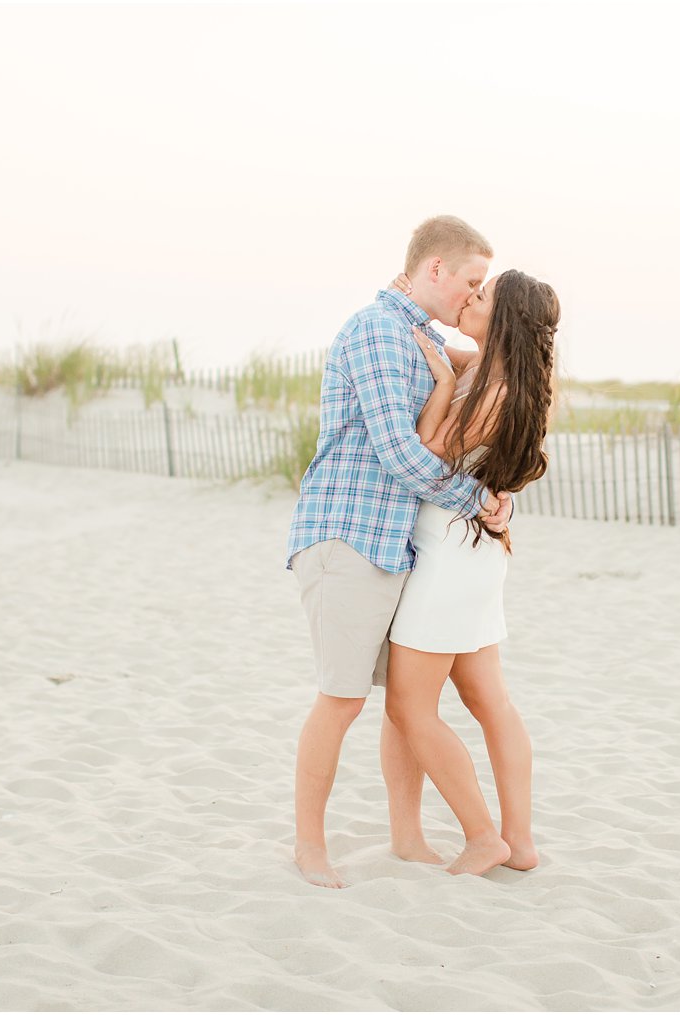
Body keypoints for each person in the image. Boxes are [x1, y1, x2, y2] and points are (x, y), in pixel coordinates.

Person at [285, 215, 514, 889]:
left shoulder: (415, 333)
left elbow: (501, 363)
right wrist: (477, 499)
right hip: (346, 535)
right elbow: (398, 453)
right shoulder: (379, 331)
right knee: (340, 699)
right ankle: (309, 846)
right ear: (435, 270)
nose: (472, 297)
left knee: (391, 701)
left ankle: (407, 836)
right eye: (469, 282)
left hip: (391, 544)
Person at [384, 269, 560, 876]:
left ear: (503, 319)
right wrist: (411, 305)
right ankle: (519, 840)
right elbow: (435, 339)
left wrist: (438, 383)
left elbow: (430, 448)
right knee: (489, 701)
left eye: (481, 295)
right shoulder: (492, 367)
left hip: (450, 559)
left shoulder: (494, 390)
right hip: (472, 551)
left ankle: (485, 836)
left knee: (409, 706)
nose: (471, 298)